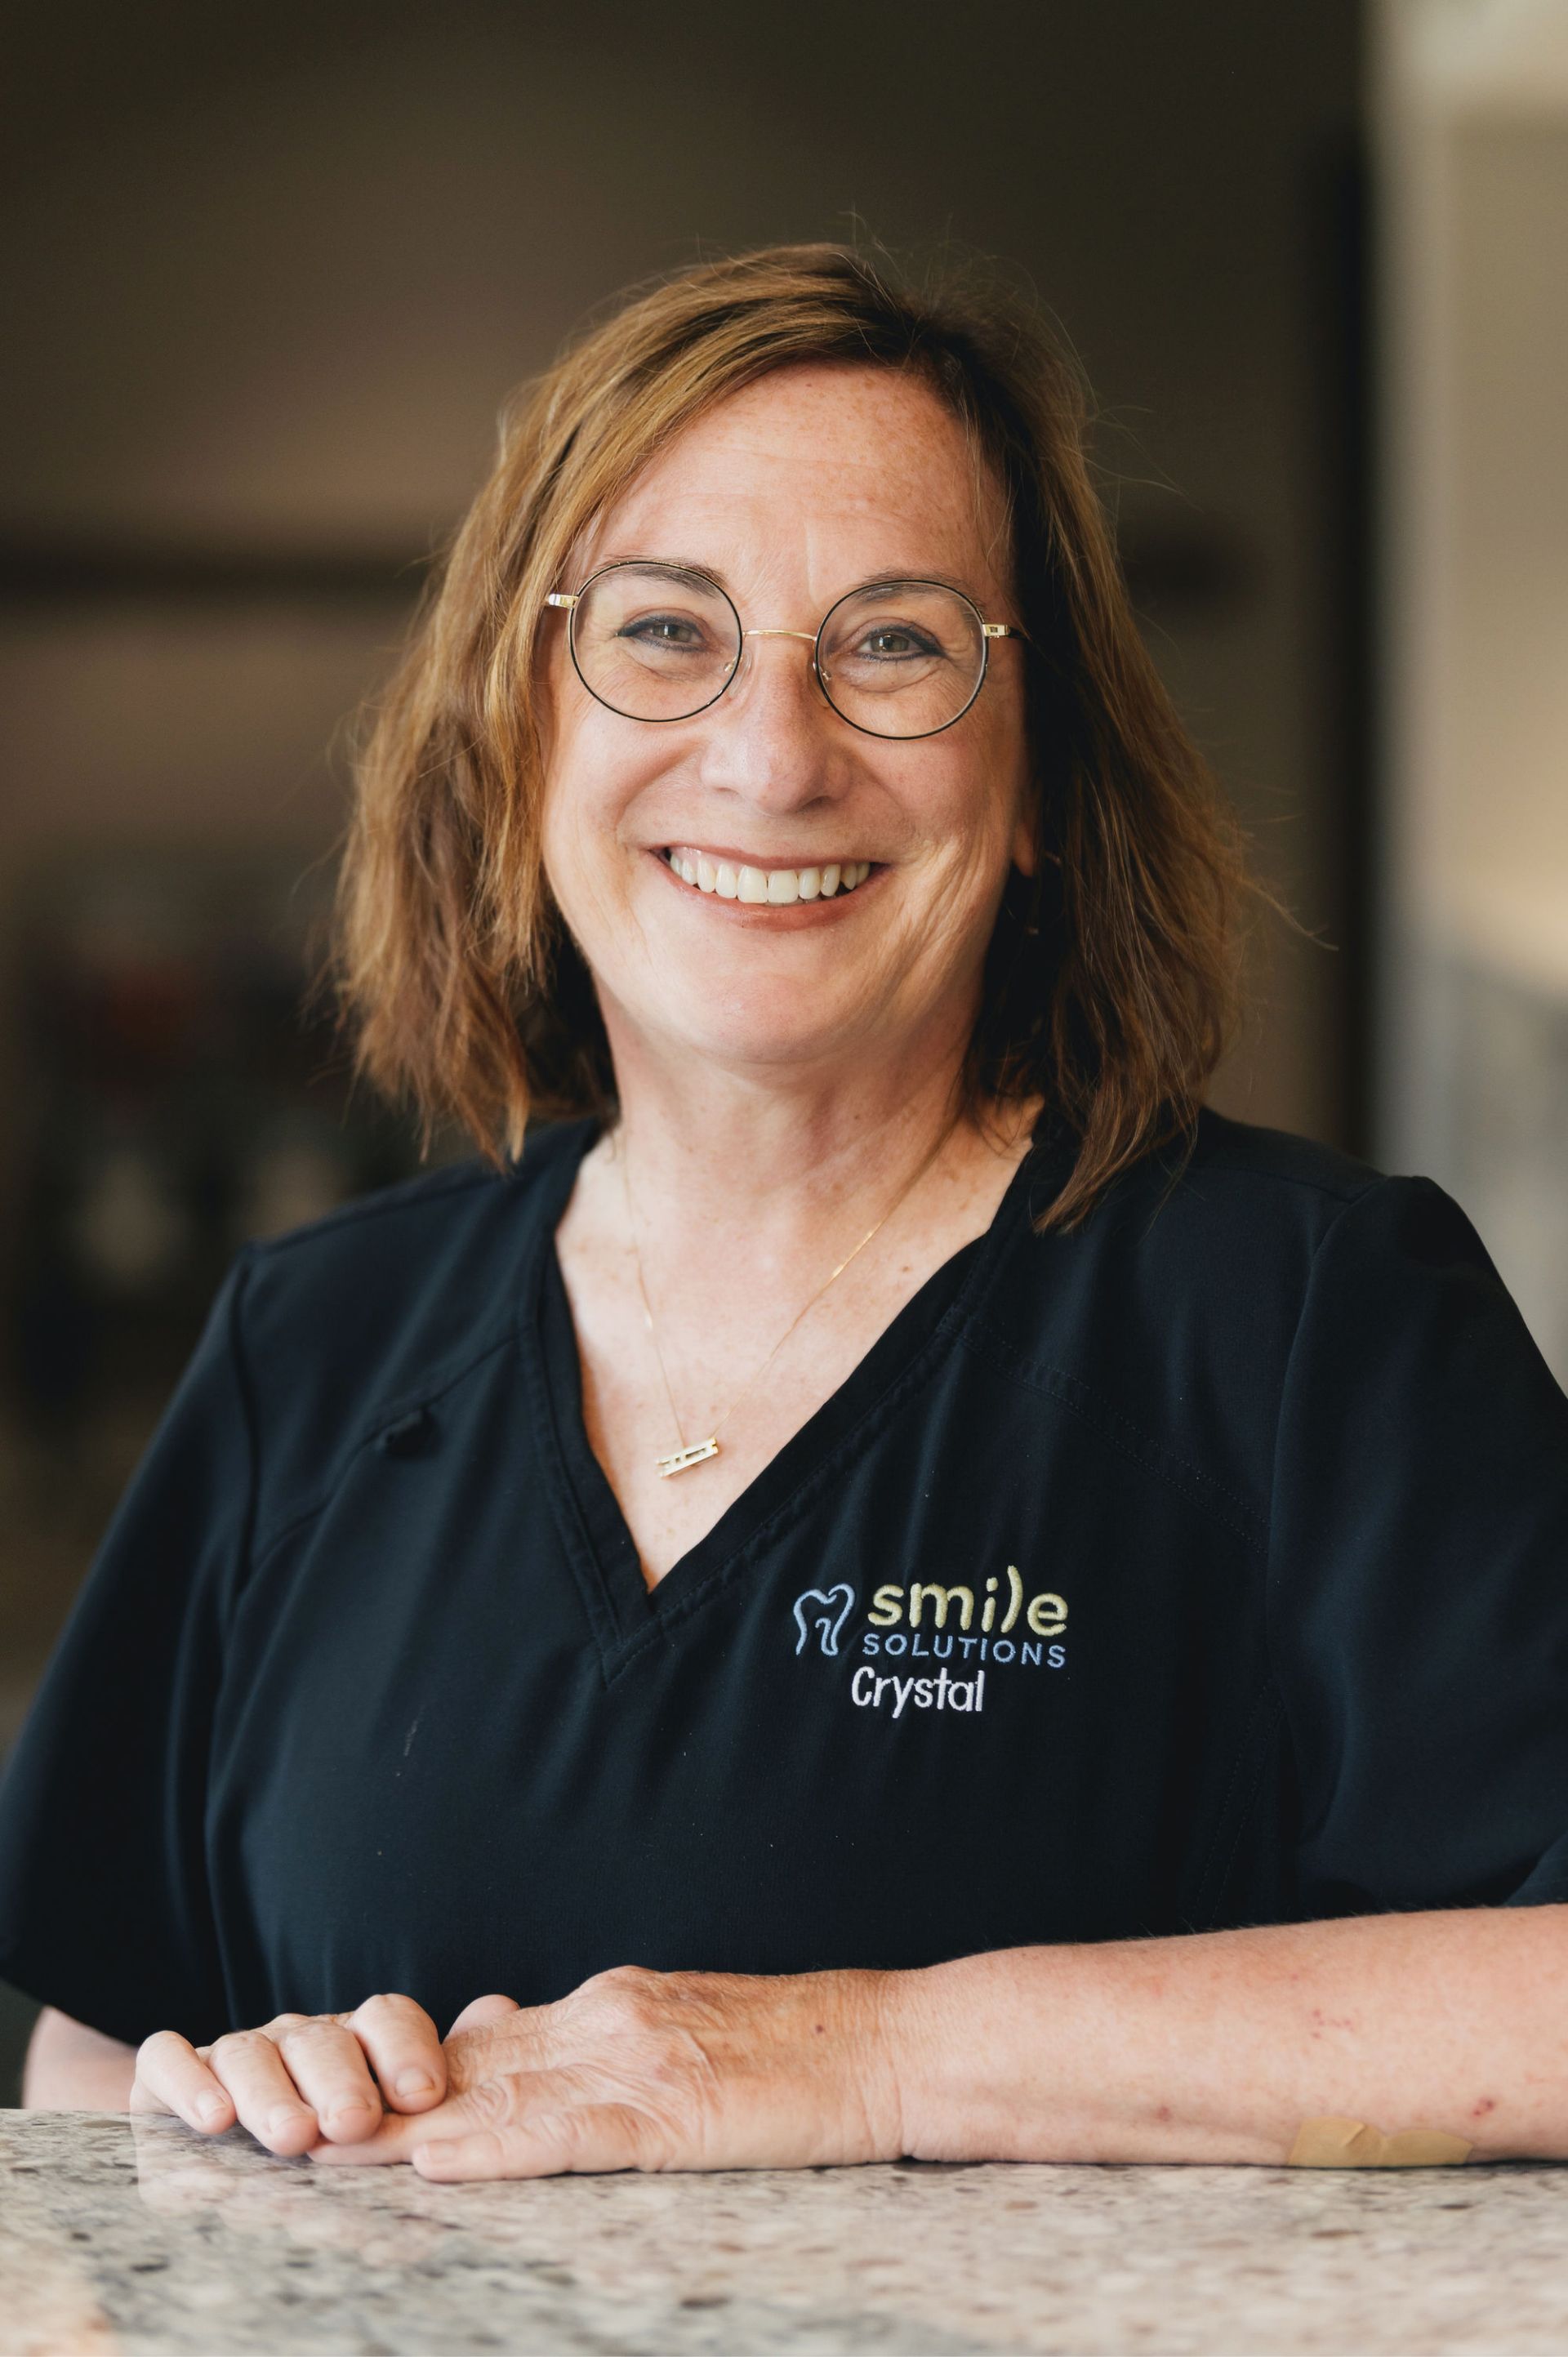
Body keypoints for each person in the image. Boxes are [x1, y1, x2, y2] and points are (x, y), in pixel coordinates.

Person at [5, 244, 1568, 2181]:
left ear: (1042, 775)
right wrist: (225, 2109)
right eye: (665, 633)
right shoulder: (310, 1348)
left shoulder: (1311, 1319)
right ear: (521, 735)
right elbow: (94, 2052)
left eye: (897, 642)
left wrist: (862, 2058)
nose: (770, 753)